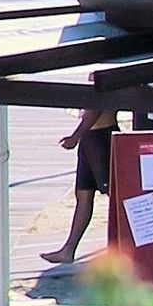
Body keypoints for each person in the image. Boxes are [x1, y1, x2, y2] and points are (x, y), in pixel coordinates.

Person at [45, 106, 117, 265]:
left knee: (115, 195)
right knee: (83, 193)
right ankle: (68, 250)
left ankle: (122, 247)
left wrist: (76, 136)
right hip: (90, 137)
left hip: (101, 135)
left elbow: (97, 107)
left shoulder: (104, 80)